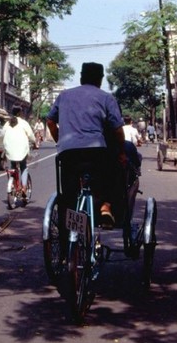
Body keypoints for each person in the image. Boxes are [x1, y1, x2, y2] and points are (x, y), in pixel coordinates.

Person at [46, 62, 126, 229]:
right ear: (100, 79)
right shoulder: (106, 97)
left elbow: (50, 121)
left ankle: (67, 229)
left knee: (69, 193)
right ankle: (105, 207)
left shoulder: (64, 95)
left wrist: (60, 141)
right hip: (96, 152)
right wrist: (121, 152)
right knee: (113, 173)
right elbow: (118, 130)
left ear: (81, 77)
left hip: (68, 153)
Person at [1, 106, 37, 193]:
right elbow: (31, 136)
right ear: (19, 113)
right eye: (22, 112)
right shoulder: (24, 123)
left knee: (13, 166)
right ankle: (24, 188)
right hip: (21, 150)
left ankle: (13, 183)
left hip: (10, 150)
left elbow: (2, 135)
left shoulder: (7, 123)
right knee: (23, 167)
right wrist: (35, 143)